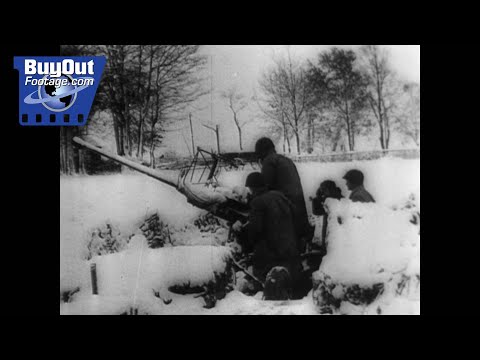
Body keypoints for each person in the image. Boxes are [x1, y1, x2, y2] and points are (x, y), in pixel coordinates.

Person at [243, 172, 302, 300]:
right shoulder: (280, 195)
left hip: (271, 250)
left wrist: (248, 243)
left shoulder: (257, 202)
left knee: (263, 272)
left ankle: (267, 294)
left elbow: (256, 230)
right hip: (289, 245)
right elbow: (295, 215)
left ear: (254, 188)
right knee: (288, 272)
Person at [254, 137, 313, 253]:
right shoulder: (286, 160)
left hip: (285, 205)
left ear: (262, 151)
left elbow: (265, 186)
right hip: (298, 203)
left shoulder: (269, 161)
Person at [311, 180, 343, 248]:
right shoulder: (339, 199)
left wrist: (317, 197)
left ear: (328, 189)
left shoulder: (330, 201)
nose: (323, 193)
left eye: (323, 190)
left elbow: (317, 212)